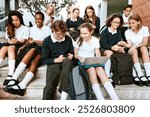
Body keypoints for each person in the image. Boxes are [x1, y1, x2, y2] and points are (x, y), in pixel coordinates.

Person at [4, 12, 51, 96]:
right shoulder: (32, 29)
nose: (37, 21)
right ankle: (20, 83)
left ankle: (17, 80)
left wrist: (34, 41)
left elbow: (47, 42)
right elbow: (29, 41)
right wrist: (24, 46)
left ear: (43, 20)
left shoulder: (47, 29)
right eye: (36, 19)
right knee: (33, 57)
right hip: (34, 48)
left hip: (43, 49)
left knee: (34, 53)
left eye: (39, 19)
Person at [74, 23, 119, 100]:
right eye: (81, 33)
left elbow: (97, 53)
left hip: (92, 60)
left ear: (91, 32)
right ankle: (100, 98)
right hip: (83, 61)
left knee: (100, 69)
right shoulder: (78, 40)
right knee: (91, 70)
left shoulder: (95, 40)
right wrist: (80, 58)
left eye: (85, 33)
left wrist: (98, 60)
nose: (83, 35)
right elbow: (75, 54)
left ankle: (115, 98)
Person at [42, 20, 74, 100]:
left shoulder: (68, 39)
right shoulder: (47, 41)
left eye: (63, 33)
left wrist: (71, 55)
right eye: (59, 34)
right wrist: (56, 60)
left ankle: (63, 95)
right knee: (50, 84)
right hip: (53, 62)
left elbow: (71, 52)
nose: (61, 36)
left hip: (65, 61)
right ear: (53, 30)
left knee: (68, 61)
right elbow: (44, 60)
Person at [0, 10, 29, 86]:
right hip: (11, 46)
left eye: (17, 20)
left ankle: (10, 74)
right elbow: (8, 40)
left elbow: (23, 41)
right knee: (4, 48)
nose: (15, 22)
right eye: (12, 20)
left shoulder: (25, 28)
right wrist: (10, 41)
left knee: (11, 47)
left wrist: (16, 42)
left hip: (20, 47)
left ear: (20, 19)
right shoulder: (8, 28)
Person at [123, 13, 150, 86]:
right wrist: (129, 45)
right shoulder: (127, 32)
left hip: (141, 49)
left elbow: (145, 42)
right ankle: (140, 73)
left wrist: (136, 45)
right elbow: (130, 45)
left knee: (144, 48)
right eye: (130, 23)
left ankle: (148, 74)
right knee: (134, 49)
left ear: (139, 22)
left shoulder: (145, 29)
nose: (131, 25)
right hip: (132, 50)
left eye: (133, 23)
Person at [100, 13, 124, 87]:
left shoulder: (119, 32)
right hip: (102, 49)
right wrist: (112, 48)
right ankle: (108, 76)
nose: (116, 24)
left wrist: (120, 45)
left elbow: (117, 43)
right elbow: (103, 44)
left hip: (113, 48)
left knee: (122, 53)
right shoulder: (104, 31)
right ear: (110, 21)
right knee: (110, 53)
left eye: (118, 22)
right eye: (115, 22)